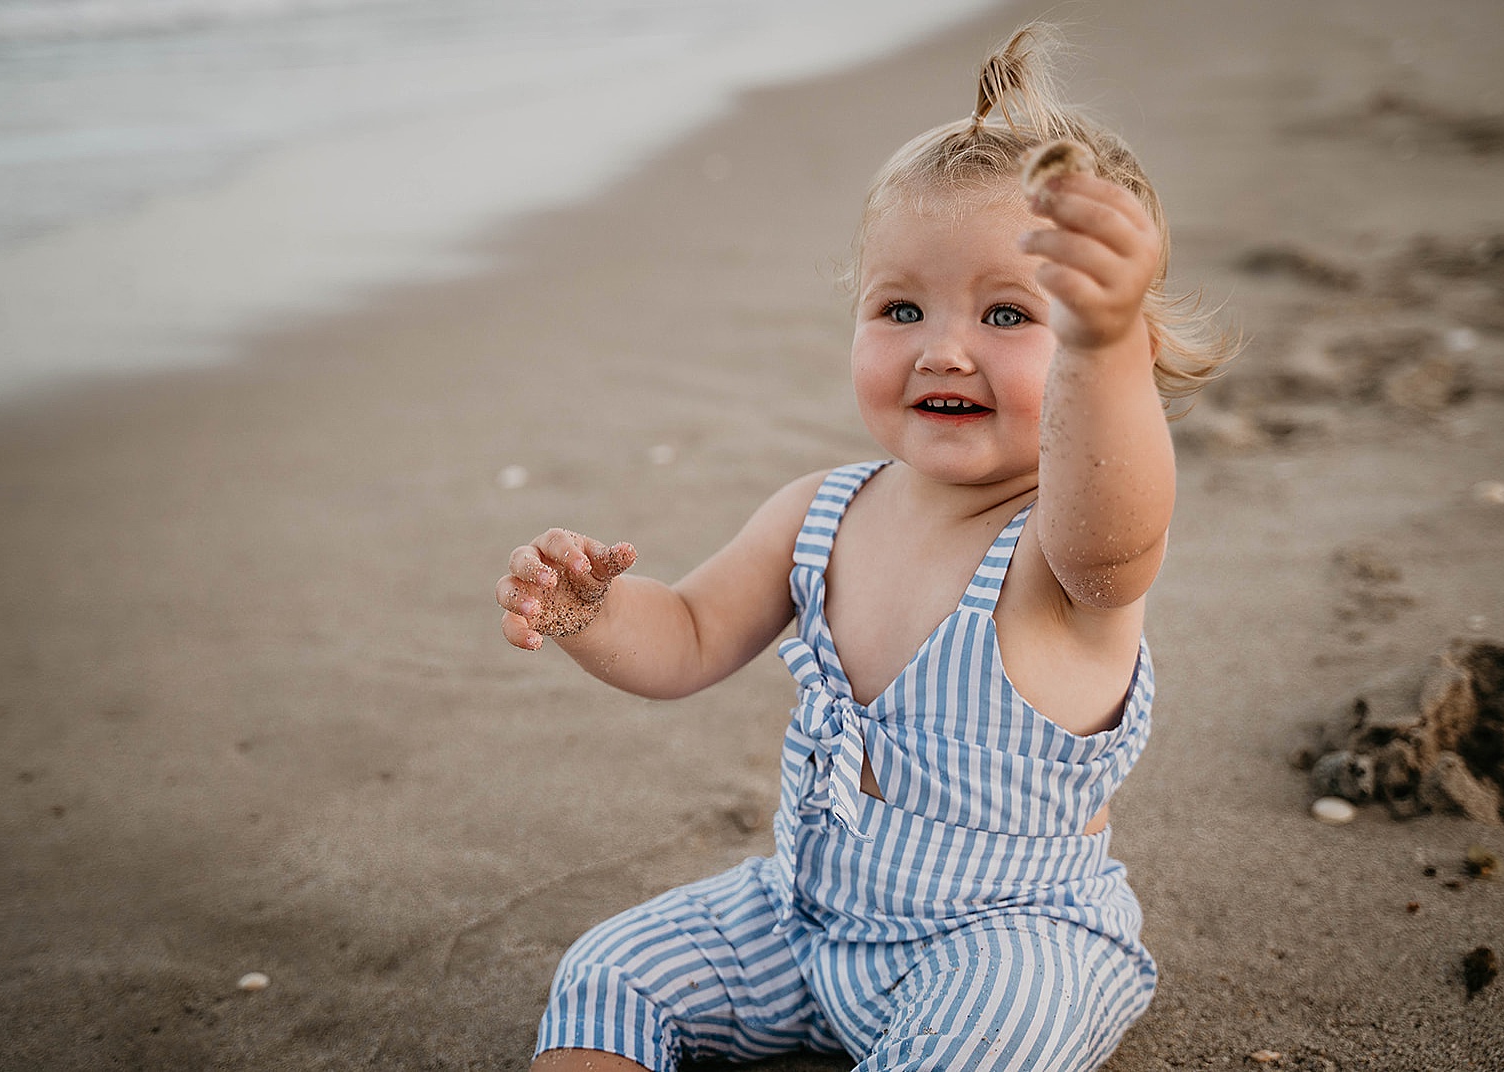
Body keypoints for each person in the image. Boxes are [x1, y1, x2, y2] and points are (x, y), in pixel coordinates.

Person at [495, 24, 1235, 1072]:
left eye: (1009, 313)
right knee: (611, 968)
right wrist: (595, 615)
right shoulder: (821, 511)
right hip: (802, 916)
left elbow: (1121, 521)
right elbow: (690, 634)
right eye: (901, 307)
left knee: (997, 1024)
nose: (944, 348)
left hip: (1003, 938)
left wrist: (1103, 347)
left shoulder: (1063, 556)